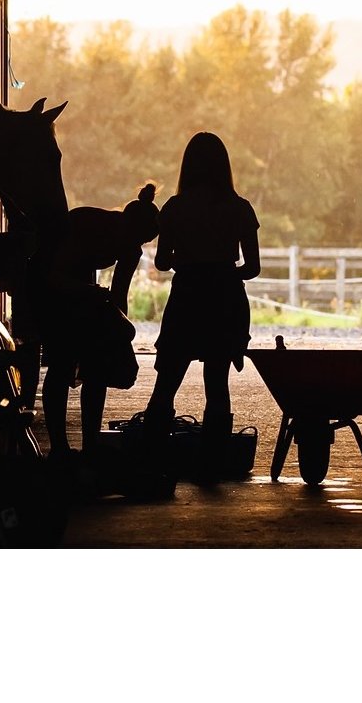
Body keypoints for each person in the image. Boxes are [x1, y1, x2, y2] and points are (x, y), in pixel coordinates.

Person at [141, 132, 261, 482]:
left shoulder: (175, 208)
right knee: (217, 384)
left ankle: (151, 462)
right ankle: (212, 466)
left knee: (167, 382)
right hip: (225, 298)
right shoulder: (240, 208)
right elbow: (252, 268)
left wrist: (190, 261)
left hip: (187, 296)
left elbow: (162, 262)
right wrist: (222, 271)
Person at [39, 184, 160, 461]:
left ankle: (91, 445)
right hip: (50, 286)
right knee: (61, 364)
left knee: (97, 367)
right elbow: (54, 275)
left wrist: (118, 334)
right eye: (135, 239)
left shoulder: (131, 247)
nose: (136, 246)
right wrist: (89, 293)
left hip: (82, 290)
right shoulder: (87, 223)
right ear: (125, 224)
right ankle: (59, 447)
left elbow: (119, 296)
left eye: (141, 242)